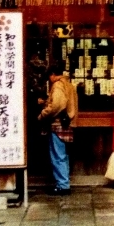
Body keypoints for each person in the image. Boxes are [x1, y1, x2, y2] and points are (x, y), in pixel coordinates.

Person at [38, 62, 78, 195]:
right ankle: (63, 182)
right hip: (66, 123)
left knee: (57, 155)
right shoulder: (68, 84)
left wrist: (43, 114)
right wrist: (46, 102)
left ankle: (63, 185)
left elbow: (57, 105)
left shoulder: (58, 85)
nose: (49, 79)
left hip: (57, 124)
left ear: (53, 75)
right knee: (63, 155)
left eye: (50, 76)